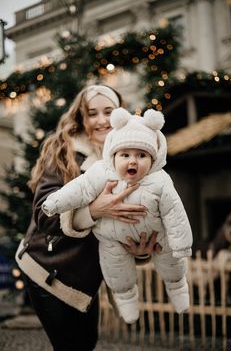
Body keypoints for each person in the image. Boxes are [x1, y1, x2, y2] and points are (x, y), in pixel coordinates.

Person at [15, 85, 161, 351]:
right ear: (81, 117)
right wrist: (94, 210)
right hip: (48, 268)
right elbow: (43, 214)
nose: (102, 120)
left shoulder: (131, 155)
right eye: (92, 113)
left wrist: (140, 250)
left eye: (109, 111)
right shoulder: (63, 150)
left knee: (86, 343)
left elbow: (132, 219)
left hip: (86, 278)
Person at [42, 107, 193, 324]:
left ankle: (178, 290)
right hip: (112, 240)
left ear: (154, 158)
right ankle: (126, 301)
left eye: (141, 155)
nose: (133, 161)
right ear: (114, 154)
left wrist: (182, 244)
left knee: (172, 262)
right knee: (118, 275)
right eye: (125, 155)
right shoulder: (101, 171)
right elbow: (80, 189)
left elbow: (174, 213)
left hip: (156, 236)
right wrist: (55, 202)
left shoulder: (160, 181)